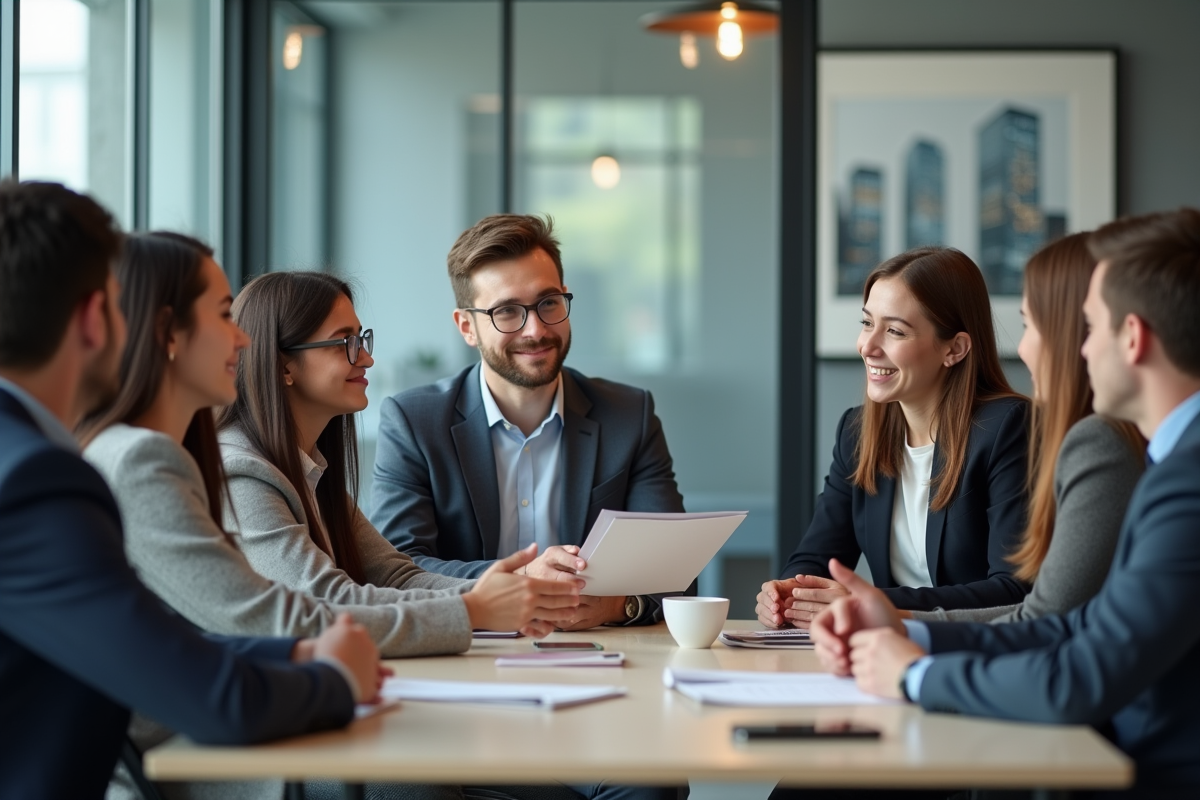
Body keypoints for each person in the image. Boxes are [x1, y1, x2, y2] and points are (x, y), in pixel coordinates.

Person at [0, 180, 379, 800]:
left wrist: (296, 658)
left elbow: (159, 641)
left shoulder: (36, 459)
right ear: (98, 318)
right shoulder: (38, 481)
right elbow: (211, 697)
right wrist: (335, 676)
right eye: (226, 314)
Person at [812, 208, 1200, 795]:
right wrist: (907, 633)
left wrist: (915, 672)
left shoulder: (1178, 477)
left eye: (1086, 328)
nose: (1058, 349)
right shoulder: (1169, 462)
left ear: (1133, 337)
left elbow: (1076, 666)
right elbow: (1077, 625)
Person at [216, 270, 579, 638]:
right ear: (283, 365)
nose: (367, 359)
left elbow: (397, 576)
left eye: (361, 339)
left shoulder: (309, 471)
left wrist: (514, 595)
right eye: (344, 343)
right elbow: (325, 602)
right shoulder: (242, 474)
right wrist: (474, 610)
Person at [370, 213, 687, 631]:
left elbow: (676, 570)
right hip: (468, 656)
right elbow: (395, 569)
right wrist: (519, 583)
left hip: (596, 658)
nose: (535, 329)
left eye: (548, 303)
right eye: (506, 311)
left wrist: (616, 606)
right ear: (467, 326)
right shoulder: (413, 422)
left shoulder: (628, 415)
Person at [758, 247, 1030, 630]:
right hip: (884, 652)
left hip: (974, 653)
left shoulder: (1006, 427)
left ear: (954, 349)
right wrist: (790, 592)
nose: (868, 346)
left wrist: (871, 601)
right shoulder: (857, 433)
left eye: (895, 331)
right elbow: (817, 557)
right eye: (867, 323)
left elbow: (1013, 589)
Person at [909, 233, 1144, 624]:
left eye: (1030, 326)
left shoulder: (1101, 443)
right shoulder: (1103, 438)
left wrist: (901, 624)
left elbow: (1046, 620)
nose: (1022, 349)